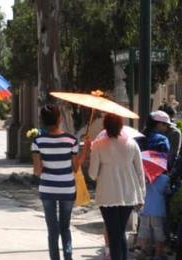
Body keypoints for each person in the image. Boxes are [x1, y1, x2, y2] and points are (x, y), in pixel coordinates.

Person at [31, 104, 89, 260]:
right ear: (60, 119)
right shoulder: (71, 140)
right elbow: (75, 168)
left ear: (43, 121)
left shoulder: (37, 141)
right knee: (65, 227)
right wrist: (85, 149)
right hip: (67, 189)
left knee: (52, 230)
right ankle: (68, 257)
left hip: (47, 189)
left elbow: (37, 171)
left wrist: (46, 163)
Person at [89, 113, 145, 260]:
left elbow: (92, 174)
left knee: (115, 233)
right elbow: (140, 172)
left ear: (105, 126)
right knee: (119, 232)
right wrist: (142, 196)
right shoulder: (132, 144)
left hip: (107, 194)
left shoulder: (98, 145)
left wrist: (92, 152)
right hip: (129, 193)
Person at [137, 168, 170, 260]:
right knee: (159, 233)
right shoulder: (165, 178)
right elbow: (167, 191)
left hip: (145, 209)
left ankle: (144, 251)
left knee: (144, 232)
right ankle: (158, 255)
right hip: (158, 210)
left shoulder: (143, 177)